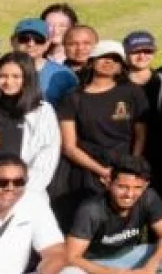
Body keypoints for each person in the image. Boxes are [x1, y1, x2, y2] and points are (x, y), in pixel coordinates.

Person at [55, 40, 147, 220]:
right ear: (91, 61)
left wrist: (131, 168)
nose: (109, 62)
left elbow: (141, 134)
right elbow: (69, 146)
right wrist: (102, 171)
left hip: (125, 168)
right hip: (87, 170)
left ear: (122, 66)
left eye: (115, 59)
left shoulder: (132, 92)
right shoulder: (73, 97)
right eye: (103, 57)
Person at [0, 52, 62, 195]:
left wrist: (20, 191)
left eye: (16, 76)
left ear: (27, 78)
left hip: (27, 194)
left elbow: (47, 156)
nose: (8, 82)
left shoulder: (43, 111)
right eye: (3, 76)